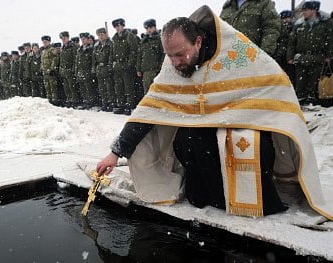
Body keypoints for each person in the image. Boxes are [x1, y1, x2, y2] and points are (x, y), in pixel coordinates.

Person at [96, 5, 332, 219]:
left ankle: (253, 201)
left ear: (198, 42)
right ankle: (206, 196)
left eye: (180, 54)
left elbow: (277, 91)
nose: (175, 62)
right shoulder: (174, 67)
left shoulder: (239, 55)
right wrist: (116, 152)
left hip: (246, 125)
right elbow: (148, 110)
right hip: (202, 136)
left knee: (247, 141)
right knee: (188, 138)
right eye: (169, 55)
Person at [287, 0, 332, 106]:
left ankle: (314, 101)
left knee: (315, 82)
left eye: (306, 10)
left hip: (317, 57)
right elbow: (292, 42)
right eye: (303, 10)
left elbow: (330, 41)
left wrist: (329, 56)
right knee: (300, 83)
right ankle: (301, 101)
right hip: (301, 57)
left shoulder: (326, 24)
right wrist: (290, 56)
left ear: (314, 10)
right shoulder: (299, 25)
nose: (304, 12)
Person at [111, 18, 139, 115]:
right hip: (118, 65)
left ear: (123, 25)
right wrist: (113, 63)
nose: (117, 28)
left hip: (126, 64)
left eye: (119, 25)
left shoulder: (129, 36)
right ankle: (121, 105)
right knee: (118, 87)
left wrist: (130, 63)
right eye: (115, 26)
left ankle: (129, 106)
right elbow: (112, 53)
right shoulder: (114, 38)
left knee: (128, 87)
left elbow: (134, 50)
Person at [136, 19, 165, 95]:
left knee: (157, 91)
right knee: (147, 92)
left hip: (156, 69)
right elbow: (140, 55)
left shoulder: (159, 39)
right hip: (146, 70)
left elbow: (163, 54)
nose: (148, 30)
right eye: (147, 28)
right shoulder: (143, 41)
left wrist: (160, 66)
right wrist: (138, 69)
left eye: (150, 27)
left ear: (154, 27)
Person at [92, 27, 115, 112]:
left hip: (106, 68)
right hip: (99, 69)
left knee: (109, 87)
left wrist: (109, 68)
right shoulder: (96, 46)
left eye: (102, 34)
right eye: (99, 35)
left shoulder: (110, 44)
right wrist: (94, 69)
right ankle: (104, 103)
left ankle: (111, 103)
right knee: (101, 88)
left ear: (105, 34)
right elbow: (94, 59)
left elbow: (111, 57)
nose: (100, 36)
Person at [274, 10, 295, 86]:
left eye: (288, 17)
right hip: (282, 56)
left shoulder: (295, 28)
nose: (286, 20)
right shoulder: (279, 29)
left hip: (290, 57)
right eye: (284, 18)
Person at [59, 31, 79, 108]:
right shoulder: (63, 47)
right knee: (67, 87)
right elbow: (61, 60)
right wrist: (61, 69)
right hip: (64, 71)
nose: (63, 40)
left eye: (64, 38)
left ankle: (75, 101)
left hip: (70, 70)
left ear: (68, 37)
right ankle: (70, 100)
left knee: (72, 87)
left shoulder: (73, 46)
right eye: (62, 39)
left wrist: (73, 70)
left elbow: (75, 60)